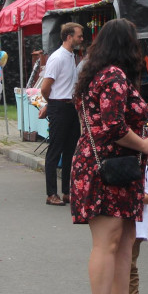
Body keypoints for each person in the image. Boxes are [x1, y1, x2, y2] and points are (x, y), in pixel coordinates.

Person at [71, 19, 148, 294]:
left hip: (112, 167)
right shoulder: (114, 76)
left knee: (124, 241)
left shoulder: (96, 75)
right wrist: (145, 144)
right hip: (107, 169)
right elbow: (113, 126)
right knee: (107, 242)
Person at [41, 22, 84, 206]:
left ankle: (67, 191)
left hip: (70, 106)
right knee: (55, 150)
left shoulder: (72, 56)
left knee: (70, 151)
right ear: (69, 37)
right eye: (79, 36)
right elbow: (45, 86)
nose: (81, 39)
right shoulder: (58, 58)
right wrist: (50, 103)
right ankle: (51, 193)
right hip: (59, 106)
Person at [130, 166, 148, 294]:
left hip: (135, 225)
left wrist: (131, 195)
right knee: (111, 264)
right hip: (114, 223)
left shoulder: (143, 168)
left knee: (129, 264)